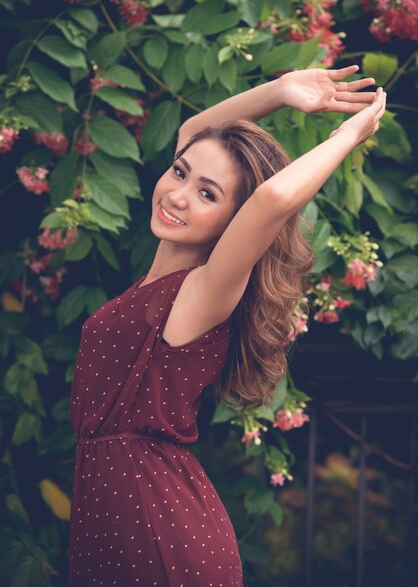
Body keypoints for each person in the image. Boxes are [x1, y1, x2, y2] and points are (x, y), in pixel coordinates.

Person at [69, 64, 386, 586]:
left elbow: (270, 202)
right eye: (178, 173)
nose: (177, 195)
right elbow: (193, 133)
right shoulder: (151, 289)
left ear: (231, 222)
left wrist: (348, 135)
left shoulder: (200, 294)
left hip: (154, 522)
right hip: (117, 507)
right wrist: (281, 91)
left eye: (208, 194)